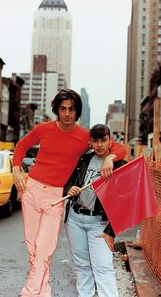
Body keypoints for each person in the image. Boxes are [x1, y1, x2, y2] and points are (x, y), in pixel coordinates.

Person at [12, 89, 126, 297]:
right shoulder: (43, 128)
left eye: (71, 109)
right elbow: (21, 146)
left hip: (57, 197)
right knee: (33, 249)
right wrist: (16, 169)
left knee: (44, 249)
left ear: (77, 111)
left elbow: (117, 147)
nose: (67, 114)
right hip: (33, 190)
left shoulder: (85, 137)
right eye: (63, 109)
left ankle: (29, 292)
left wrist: (110, 158)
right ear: (56, 109)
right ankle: (43, 291)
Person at [63, 124, 127, 297]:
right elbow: (67, 181)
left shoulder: (120, 164)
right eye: (95, 141)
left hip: (99, 222)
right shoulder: (83, 159)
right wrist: (70, 190)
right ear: (90, 142)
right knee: (81, 266)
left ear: (110, 142)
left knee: (103, 268)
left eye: (103, 140)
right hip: (75, 218)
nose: (99, 145)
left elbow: (125, 202)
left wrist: (110, 232)